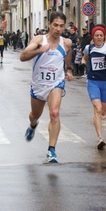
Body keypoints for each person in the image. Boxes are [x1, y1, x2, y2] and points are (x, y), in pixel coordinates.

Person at [20, 11, 74, 163]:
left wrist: (68, 70)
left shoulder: (66, 43)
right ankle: (32, 125)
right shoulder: (39, 40)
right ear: (49, 24)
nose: (58, 29)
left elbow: (67, 54)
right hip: (38, 84)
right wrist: (39, 50)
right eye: (55, 25)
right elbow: (23, 56)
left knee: (54, 113)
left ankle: (51, 150)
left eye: (61, 26)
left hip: (56, 83)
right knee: (35, 115)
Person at [81, 25, 106, 149]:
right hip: (93, 81)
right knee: (97, 109)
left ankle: (100, 118)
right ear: (93, 36)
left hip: (105, 82)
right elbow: (84, 57)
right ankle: (100, 138)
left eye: (101, 35)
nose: (99, 37)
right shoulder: (89, 48)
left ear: (104, 36)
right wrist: (83, 64)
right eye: (96, 35)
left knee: (103, 111)